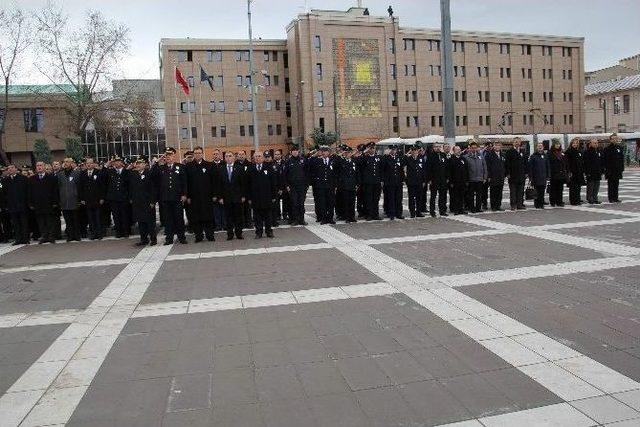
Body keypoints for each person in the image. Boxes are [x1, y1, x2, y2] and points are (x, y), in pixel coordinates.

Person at [152, 148, 188, 245]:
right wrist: (157, 162)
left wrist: (184, 194)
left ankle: (182, 237)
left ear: (173, 156)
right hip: (165, 198)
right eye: (166, 156)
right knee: (168, 220)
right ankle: (169, 238)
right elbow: (152, 174)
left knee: (179, 218)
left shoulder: (179, 167)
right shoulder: (161, 168)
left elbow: (184, 182)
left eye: (170, 155)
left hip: (177, 198)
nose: (168, 157)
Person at [186, 146, 218, 242]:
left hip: (207, 197)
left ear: (202, 154)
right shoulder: (188, 166)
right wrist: (187, 196)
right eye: (195, 153)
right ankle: (198, 236)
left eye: (199, 153)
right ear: (193, 154)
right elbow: (186, 182)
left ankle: (210, 235)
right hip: (194, 197)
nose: (197, 154)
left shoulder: (209, 165)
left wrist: (215, 195)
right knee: (196, 217)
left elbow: (214, 182)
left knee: (208, 216)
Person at [247, 151, 276, 238]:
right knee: (257, 216)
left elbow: (273, 183)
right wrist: (249, 197)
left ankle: (269, 231)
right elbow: (247, 184)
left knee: (268, 216)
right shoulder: (250, 169)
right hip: (255, 197)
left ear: (263, 158)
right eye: (255, 156)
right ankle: (258, 232)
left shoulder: (269, 168)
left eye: (259, 156)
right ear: (253, 158)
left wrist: (274, 196)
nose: (257, 158)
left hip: (267, 196)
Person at [129, 157, 157, 246]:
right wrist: (131, 198)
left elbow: (153, 189)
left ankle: (153, 239)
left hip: (147, 202)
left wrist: (153, 201)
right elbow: (131, 188)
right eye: (137, 163)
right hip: (138, 202)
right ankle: (143, 239)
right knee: (141, 222)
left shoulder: (149, 174)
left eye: (140, 163)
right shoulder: (133, 174)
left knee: (150, 222)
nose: (138, 165)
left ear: (145, 165)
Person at [28, 161, 58, 244]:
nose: (39, 167)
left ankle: (51, 236)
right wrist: (31, 203)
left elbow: (55, 191)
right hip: (37, 204)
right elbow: (30, 192)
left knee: (49, 221)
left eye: (41, 165)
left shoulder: (51, 178)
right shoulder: (32, 179)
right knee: (41, 222)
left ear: (44, 167)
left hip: (49, 203)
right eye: (37, 166)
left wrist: (55, 202)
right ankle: (44, 236)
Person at [220, 151, 247, 240]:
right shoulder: (221, 169)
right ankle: (230, 234)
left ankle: (239, 233)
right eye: (226, 156)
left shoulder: (239, 168)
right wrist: (220, 197)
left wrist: (243, 196)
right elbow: (219, 184)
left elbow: (243, 183)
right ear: (224, 158)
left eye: (230, 156)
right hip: (226, 197)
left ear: (234, 158)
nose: (228, 158)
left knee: (238, 216)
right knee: (228, 217)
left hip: (237, 197)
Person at [78, 158, 106, 240]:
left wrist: (102, 197)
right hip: (87, 200)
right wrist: (82, 198)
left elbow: (102, 186)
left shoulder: (98, 172)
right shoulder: (82, 173)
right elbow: (80, 187)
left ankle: (99, 234)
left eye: (90, 163)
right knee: (90, 218)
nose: (89, 165)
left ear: (93, 164)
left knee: (98, 217)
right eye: (87, 163)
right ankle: (93, 234)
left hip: (97, 199)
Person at [309, 146, 337, 224]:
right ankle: (324, 218)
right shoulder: (317, 161)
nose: (324, 153)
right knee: (322, 203)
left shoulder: (333, 161)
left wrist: (335, 185)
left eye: (326, 151)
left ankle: (330, 218)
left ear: (329, 152)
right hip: (321, 186)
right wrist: (315, 154)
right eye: (323, 151)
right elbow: (309, 162)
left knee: (331, 203)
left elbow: (335, 174)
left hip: (330, 186)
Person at [3, 164, 30, 244]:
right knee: (15, 224)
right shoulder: (5, 180)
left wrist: (27, 203)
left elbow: (27, 192)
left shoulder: (23, 178)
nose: (10, 169)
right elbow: (4, 193)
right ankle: (18, 239)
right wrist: (6, 204)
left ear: (16, 169)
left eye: (12, 168)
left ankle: (25, 238)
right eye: (9, 168)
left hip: (22, 205)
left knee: (24, 223)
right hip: (12, 206)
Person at [105, 156, 130, 238]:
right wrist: (107, 165)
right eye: (115, 162)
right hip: (113, 198)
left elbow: (129, 186)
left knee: (124, 215)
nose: (117, 163)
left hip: (124, 198)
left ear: (122, 163)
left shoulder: (127, 172)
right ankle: (118, 232)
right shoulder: (110, 171)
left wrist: (129, 197)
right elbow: (101, 175)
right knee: (116, 216)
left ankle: (126, 231)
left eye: (118, 161)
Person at [57, 158, 82, 241]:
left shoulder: (77, 173)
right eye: (64, 162)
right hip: (64, 201)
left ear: (71, 163)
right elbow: (58, 187)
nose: (65, 163)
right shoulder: (60, 174)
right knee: (68, 220)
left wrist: (79, 199)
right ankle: (70, 236)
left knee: (76, 220)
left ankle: (77, 235)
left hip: (74, 200)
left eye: (67, 162)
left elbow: (79, 186)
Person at [283, 145, 308, 226]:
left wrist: (307, 185)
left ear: (298, 151)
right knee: (294, 203)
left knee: (301, 203)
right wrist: (287, 186)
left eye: (296, 150)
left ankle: (302, 219)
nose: (295, 152)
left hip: (302, 186)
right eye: (293, 151)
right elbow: (285, 175)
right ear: (291, 152)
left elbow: (307, 173)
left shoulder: (303, 160)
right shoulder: (288, 161)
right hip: (292, 187)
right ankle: (295, 220)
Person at [359, 142, 383, 221]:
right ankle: (369, 214)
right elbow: (358, 162)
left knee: (376, 199)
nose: (372, 150)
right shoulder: (365, 158)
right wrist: (364, 151)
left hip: (377, 182)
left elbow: (381, 170)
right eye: (370, 148)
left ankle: (375, 214)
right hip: (368, 182)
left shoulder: (378, 158)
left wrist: (381, 180)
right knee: (368, 199)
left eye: (373, 148)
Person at [381, 145, 405, 220]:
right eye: (392, 150)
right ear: (390, 150)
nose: (394, 151)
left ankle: (399, 213)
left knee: (398, 198)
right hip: (389, 182)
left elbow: (401, 170)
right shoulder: (386, 158)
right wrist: (383, 180)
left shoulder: (399, 158)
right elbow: (383, 169)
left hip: (398, 181)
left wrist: (403, 179)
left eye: (395, 150)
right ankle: (391, 213)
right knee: (391, 198)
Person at [504, 137, 528, 210]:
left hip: (521, 174)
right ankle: (513, 205)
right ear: (513, 143)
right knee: (513, 191)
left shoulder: (523, 151)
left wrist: (526, 172)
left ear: (520, 143)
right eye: (515, 141)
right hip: (512, 175)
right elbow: (506, 163)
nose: (517, 143)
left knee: (521, 191)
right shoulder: (509, 151)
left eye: (518, 141)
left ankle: (519, 204)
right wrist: (507, 173)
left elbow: (526, 163)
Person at [336, 146, 358, 222]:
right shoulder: (341, 161)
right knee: (346, 202)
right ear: (344, 153)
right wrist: (341, 154)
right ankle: (347, 217)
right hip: (344, 185)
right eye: (347, 153)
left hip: (352, 185)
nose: (348, 154)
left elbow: (356, 173)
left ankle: (352, 217)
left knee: (352, 202)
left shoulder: (354, 161)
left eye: (349, 152)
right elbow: (336, 162)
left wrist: (357, 184)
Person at [464, 141, 487, 213]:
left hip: (480, 179)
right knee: (471, 195)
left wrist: (485, 177)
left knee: (479, 195)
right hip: (471, 179)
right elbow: (465, 169)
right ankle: (471, 208)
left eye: (475, 148)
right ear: (470, 148)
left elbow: (484, 167)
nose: (474, 149)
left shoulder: (481, 156)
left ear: (477, 148)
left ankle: (478, 208)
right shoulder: (466, 157)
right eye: (472, 148)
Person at [426, 143, 449, 217]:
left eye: (439, 147)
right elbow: (428, 169)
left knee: (442, 196)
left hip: (443, 179)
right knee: (433, 196)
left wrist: (447, 177)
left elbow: (446, 167)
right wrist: (429, 179)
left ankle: (442, 210)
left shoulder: (443, 155)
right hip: (434, 180)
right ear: (433, 148)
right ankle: (432, 211)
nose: (438, 148)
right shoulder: (430, 156)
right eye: (436, 147)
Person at [405, 144, 425, 218]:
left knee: (419, 198)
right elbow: (402, 162)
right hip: (411, 182)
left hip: (419, 182)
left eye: (415, 150)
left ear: (417, 151)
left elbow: (423, 170)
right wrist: (407, 153)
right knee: (411, 198)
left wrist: (423, 181)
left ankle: (418, 212)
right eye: (412, 150)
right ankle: (412, 212)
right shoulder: (408, 158)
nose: (414, 152)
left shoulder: (421, 158)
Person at [485, 142, 506, 211]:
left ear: (500, 146)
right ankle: (493, 206)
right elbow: (487, 166)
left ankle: (498, 205)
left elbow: (504, 165)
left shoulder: (502, 155)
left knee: (500, 192)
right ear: (493, 146)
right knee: (493, 192)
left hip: (501, 176)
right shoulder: (489, 154)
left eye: (499, 145)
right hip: (493, 176)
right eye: (496, 145)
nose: (497, 147)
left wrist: (504, 174)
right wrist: (489, 176)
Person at [603, 134, 625, 203]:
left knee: (616, 184)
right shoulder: (607, 149)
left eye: (616, 138)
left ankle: (616, 197)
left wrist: (622, 168)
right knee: (611, 185)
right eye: (613, 139)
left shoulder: (619, 148)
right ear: (610, 140)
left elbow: (622, 159)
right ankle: (611, 198)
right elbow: (606, 160)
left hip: (618, 170)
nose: (615, 140)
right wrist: (607, 170)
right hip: (610, 170)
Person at [528, 143, 549, 209]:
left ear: (543, 147)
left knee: (542, 191)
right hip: (536, 177)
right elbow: (530, 167)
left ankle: (541, 203)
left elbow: (547, 166)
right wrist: (530, 176)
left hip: (543, 176)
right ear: (536, 147)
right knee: (536, 191)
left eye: (541, 146)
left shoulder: (545, 156)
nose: (540, 147)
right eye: (539, 146)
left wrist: (548, 175)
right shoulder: (533, 156)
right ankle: (537, 204)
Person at [448, 146, 468, 215]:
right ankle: (455, 209)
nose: (459, 151)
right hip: (454, 182)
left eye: (459, 149)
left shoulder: (463, 159)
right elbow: (449, 172)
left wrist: (467, 180)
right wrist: (451, 182)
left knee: (462, 196)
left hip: (463, 181)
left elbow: (466, 170)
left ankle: (461, 209)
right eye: (457, 150)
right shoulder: (451, 159)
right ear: (453, 151)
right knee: (455, 196)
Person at [565, 138, 585, 205]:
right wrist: (569, 171)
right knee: (573, 187)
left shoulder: (579, 151)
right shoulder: (568, 151)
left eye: (576, 143)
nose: (575, 144)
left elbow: (581, 161)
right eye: (574, 143)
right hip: (572, 172)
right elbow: (567, 163)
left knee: (578, 187)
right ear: (571, 144)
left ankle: (578, 199)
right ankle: (573, 201)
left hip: (579, 172)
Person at [548, 141, 568, 207]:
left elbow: (565, 162)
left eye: (559, 144)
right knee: (553, 189)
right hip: (554, 173)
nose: (558, 145)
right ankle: (552, 201)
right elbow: (549, 164)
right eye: (556, 144)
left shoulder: (562, 153)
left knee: (560, 188)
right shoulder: (550, 153)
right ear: (553, 145)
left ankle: (559, 201)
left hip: (561, 173)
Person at [584, 139, 603, 204]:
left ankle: (595, 198)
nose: (596, 144)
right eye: (594, 143)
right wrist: (587, 172)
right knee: (590, 186)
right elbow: (586, 163)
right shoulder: (587, 152)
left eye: (597, 143)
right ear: (591, 144)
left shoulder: (598, 151)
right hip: (591, 172)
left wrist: (602, 170)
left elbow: (601, 161)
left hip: (598, 171)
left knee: (596, 186)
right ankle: (590, 198)